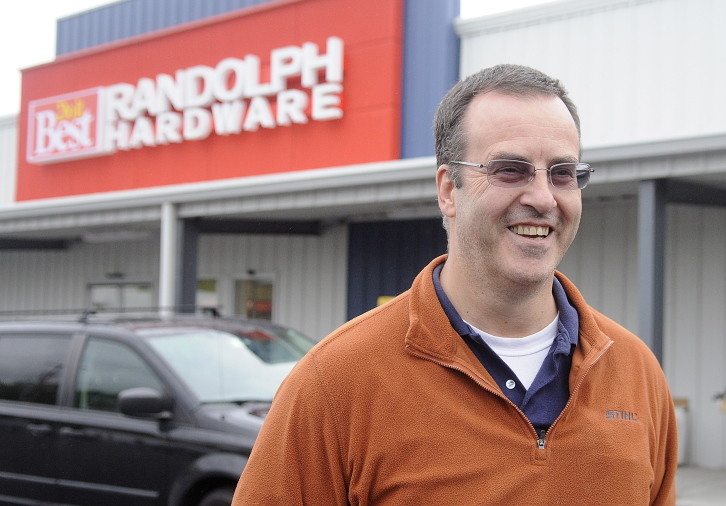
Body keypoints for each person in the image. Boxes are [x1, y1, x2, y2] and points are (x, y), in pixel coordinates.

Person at [232, 64, 677, 505]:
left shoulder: (636, 371)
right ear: (448, 190)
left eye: (562, 173)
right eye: (510, 170)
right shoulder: (336, 382)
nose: (543, 198)